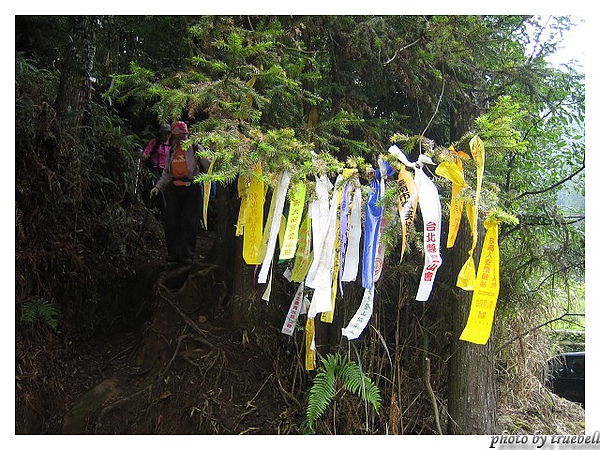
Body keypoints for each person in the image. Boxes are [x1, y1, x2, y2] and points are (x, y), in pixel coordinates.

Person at [150, 121, 211, 264]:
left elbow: (209, 165)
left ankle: (187, 255)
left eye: (181, 136)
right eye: (176, 137)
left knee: (189, 222)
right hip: (174, 188)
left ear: (186, 135)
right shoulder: (171, 150)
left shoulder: (195, 148)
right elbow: (166, 174)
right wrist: (157, 187)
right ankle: (173, 253)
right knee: (171, 221)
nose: (179, 140)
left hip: (192, 188)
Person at [141, 123, 171, 213]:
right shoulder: (154, 142)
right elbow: (146, 153)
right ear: (161, 134)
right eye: (165, 133)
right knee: (159, 186)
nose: (166, 136)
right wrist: (144, 157)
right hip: (154, 168)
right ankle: (163, 208)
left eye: (168, 133)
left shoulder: (170, 145)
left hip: (165, 170)